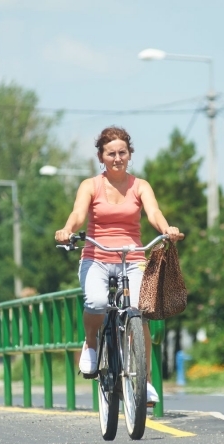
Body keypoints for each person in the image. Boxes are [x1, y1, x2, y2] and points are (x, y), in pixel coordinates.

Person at [55, 126, 183, 405]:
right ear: (101, 156)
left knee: (140, 310)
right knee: (98, 302)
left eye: (122, 152)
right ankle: (90, 342)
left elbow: (154, 212)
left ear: (129, 154)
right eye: (111, 153)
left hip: (133, 257)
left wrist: (167, 228)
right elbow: (78, 214)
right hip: (96, 257)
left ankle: (145, 381)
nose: (117, 158)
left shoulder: (140, 186)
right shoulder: (90, 185)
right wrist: (66, 230)